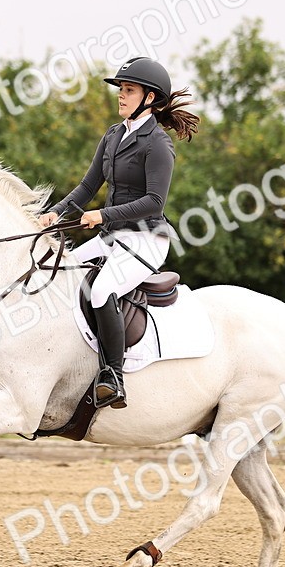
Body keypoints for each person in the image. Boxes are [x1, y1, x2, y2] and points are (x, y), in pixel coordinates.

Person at [39, 57, 200, 409]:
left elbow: (153, 202)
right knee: (59, 273)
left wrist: (102, 214)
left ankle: (113, 376)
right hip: (112, 238)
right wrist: (52, 215)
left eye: (129, 90)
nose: (121, 96)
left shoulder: (157, 143)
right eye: (121, 90)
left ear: (150, 97)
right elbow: (86, 187)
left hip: (146, 239)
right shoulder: (113, 135)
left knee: (101, 291)